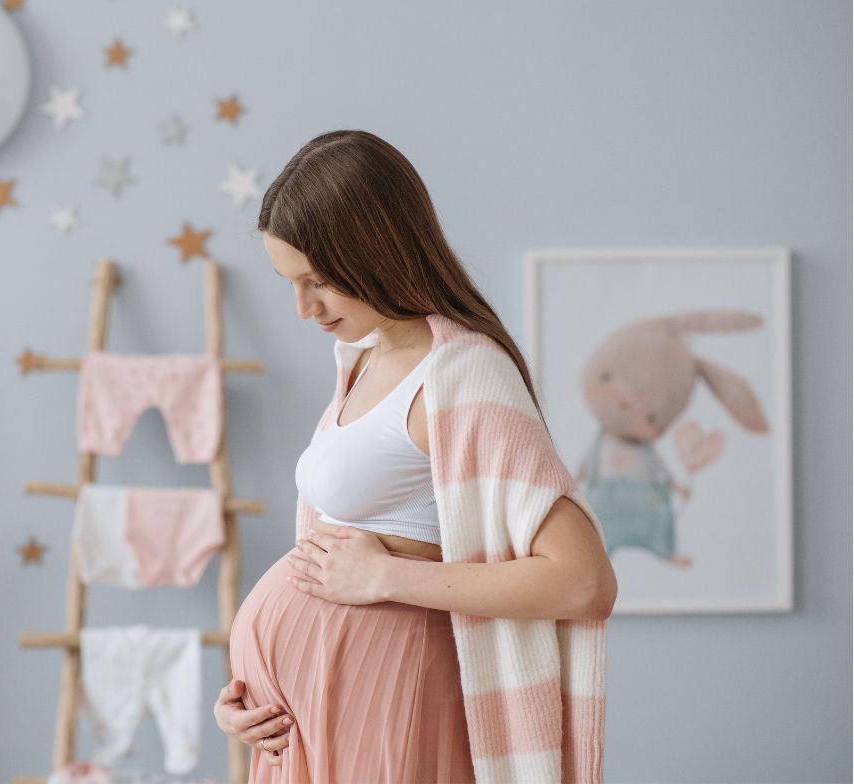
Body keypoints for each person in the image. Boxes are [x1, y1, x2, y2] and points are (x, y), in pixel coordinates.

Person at [213, 129, 616, 783]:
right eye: (289, 282)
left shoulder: (463, 375)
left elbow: (585, 581)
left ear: (377, 252)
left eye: (318, 282)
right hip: (313, 723)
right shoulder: (364, 360)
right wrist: (248, 697)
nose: (302, 308)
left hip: (389, 706)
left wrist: (388, 580)